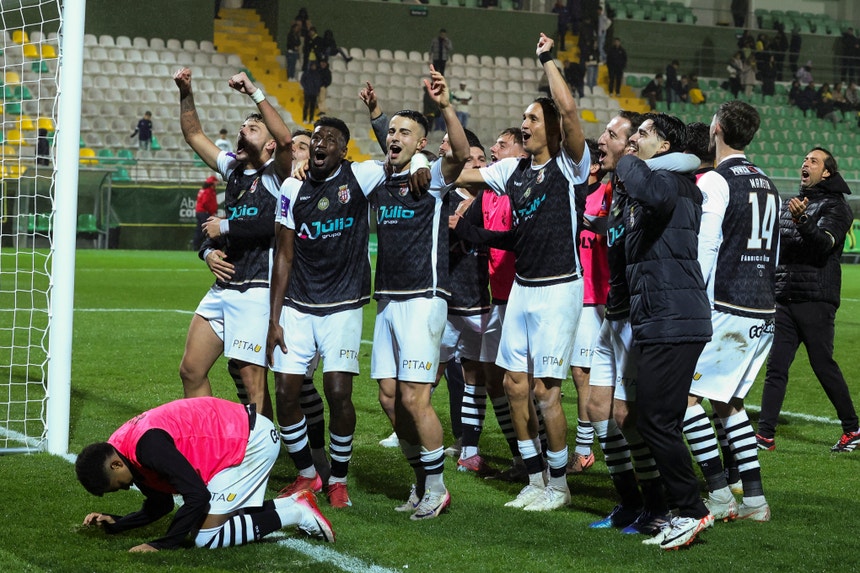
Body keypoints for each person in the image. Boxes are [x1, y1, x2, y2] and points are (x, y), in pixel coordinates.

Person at [452, 33, 590, 512]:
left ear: (551, 128)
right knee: (512, 385)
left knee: (545, 392)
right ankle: (535, 479)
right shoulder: (514, 172)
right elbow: (460, 170)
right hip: (523, 290)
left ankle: (559, 482)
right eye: (525, 119)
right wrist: (435, 168)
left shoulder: (570, 167)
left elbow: (570, 113)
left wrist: (548, 60)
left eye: (533, 118)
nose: (525, 125)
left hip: (558, 290)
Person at [267, 116, 390, 509]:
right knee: (286, 392)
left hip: (343, 305)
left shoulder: (360, 177)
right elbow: (284, 254)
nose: (320, 143)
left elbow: (401, 158)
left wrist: (420, 166)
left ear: (342, 151)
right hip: (299, 305)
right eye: (316, 137)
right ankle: (307, 473)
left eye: (330, 139)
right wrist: (273, 319)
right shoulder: (292, 186)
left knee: (338, 391)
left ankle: (338, 478)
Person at [369, 67, 469, 520]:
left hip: (424, 299)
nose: (394, 137)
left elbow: (462, 154)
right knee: (389, 398)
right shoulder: (381, 178)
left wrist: (445, 105)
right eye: (390, 131)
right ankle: (420, 480)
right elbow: (387, 146)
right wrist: (376, 115)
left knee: (414, 397)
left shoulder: (432, 179)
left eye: (405, 132)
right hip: (388, 299)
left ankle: (438, 488)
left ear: (421, 144)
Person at [615, 113, 714, 549]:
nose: (635, 138)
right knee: (660, 420)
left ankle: (691, 510)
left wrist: (625, 159)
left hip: (673, 318)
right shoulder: (667, 183)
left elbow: (647, 192)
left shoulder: (668, 184)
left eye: (644, 133)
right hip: (663, 316)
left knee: (656, 420)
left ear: (667, 145)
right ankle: (685, 507)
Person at [174, 67, 292, 421]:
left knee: (252, 383)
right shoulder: (234, 170)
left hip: (257, 289)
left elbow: (286, 143)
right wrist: (186, 92)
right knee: (191, 370)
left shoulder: (279, 175)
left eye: (252, 128)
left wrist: (253, 91)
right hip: (224, 286)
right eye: (242, 127)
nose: (242, 131)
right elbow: (194, 134)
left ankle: (262, 457)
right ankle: (205, 440)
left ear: (269, 143)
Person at [683, 101, 779, 526]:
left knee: (683, 401)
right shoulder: (768, 182)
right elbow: (774, 252)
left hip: (724, 306)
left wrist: (693, 302)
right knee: (729, 403)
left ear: (715, 128)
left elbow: (706, 247)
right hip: (762, 309)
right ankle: (756, 501)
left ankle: (721, 495)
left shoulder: (716, 182)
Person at [75, 397, 334, 551]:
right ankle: (292, 502)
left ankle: (298, 513)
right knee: (201, 523)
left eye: (116, 486)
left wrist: (163, 544)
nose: (122, 489)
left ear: (115, 466)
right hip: (239, 438)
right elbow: (161, 503)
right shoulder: (121, 449)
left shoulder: (147, 447)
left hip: (249, 444)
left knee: (206, 537)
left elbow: (197, 495)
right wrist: (118, 524)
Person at [758, 147, 860, 454]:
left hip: (816, 298)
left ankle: (852, 428)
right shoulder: (794, 202)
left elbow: (822, 246)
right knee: (776, 366)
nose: (806, 163)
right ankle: (764, 435)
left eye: (813, 161)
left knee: (822, 365)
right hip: (785, 297)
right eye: (805, 159)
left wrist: (802, 220)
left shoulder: (837, 208)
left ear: (826, 172)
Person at [193, 175, 219, 250]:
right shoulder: (208, 191)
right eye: (215, 183)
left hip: (200, 212)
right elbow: (206, 202)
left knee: (199, 229)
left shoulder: (204, 190)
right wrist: (212, 211)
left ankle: (196, 245)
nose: (216, 185)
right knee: (206, 229)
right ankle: (205, 246)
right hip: (204, 212)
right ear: (212, 184)